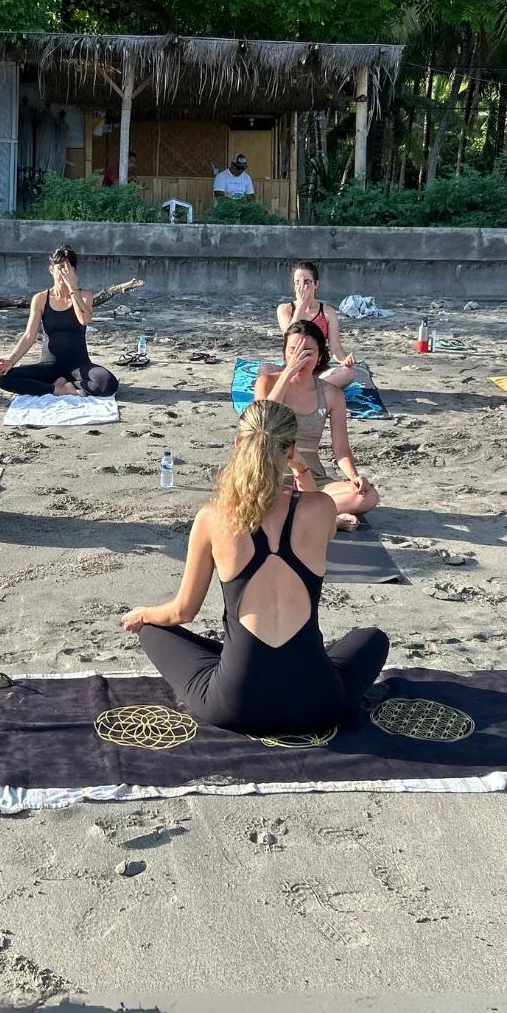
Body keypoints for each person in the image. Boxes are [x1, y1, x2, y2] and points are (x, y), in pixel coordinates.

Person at [123, 399, 388, 734]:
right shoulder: (322, 509)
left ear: (238, 443)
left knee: (152, 628)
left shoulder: (213, 517)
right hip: (319, 704)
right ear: (291, 449)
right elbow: (319, 512)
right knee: (372, 638)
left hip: (235, 705)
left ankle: (237, 658)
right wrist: (301, 468)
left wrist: (143, 614)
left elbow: (183, 612)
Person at [253, 320, 378, 529]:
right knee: (255, 498)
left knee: (366, 496)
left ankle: (305, 514)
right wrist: (287, 374)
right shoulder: (267, 383)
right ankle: (322, 516)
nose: (300, 358)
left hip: (311, 475)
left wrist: (354, 476)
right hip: (270, 470)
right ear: (284, 352)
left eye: (308, 352)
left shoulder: (331, 393)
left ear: (320, 355)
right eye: (294, 350)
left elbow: (341, 449)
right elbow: (262, 423)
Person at [0, 244, 118, 397]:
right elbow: (29, 336)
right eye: (60, 268)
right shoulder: (41, 299)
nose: (63, 273)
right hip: (49, 366)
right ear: (51, 270)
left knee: (108, 383)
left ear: (74, 272)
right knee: (4, 378)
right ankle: (60, 389)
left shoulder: (84, 295)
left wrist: (73, 288)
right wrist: (11, 361)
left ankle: (68, 384)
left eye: (68, 269)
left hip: (79, 366)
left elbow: (84, 319)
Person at [276, 260, 355, 390]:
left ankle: (306, 390)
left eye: (307, 282)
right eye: (298, 283)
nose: (302, 287)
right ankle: (311, 390)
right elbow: (290, 338)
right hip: (293, 369)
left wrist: (344, 360)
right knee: (265, 370)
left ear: (316, 284)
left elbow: (335, 348)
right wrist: (301, 304)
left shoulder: (327, 312)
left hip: (318, 369)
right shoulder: (285, 309)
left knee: (348, 373)